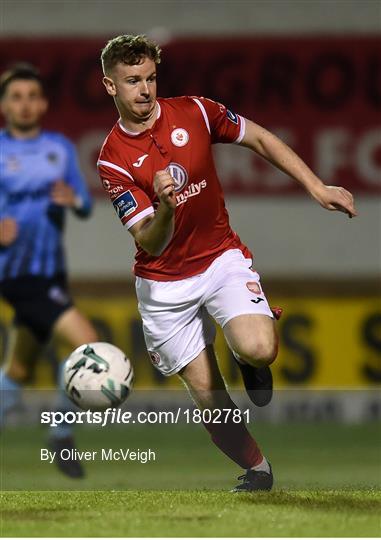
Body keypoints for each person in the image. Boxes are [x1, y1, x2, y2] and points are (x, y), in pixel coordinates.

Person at [97, 35, 357, 491]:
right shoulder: (113, 159)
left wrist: (316, 186)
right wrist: (167, 209)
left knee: (260, 347)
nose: (145, 90)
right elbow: (150, 243)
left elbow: (257, 136)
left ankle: (248, 359)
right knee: (212, 404)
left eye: (151, 78)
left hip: (219, 257)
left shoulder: (195, 111)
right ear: (109, 86)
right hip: (164, 286)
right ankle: (258, 469)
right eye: (132, 81)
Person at [0, 64, 98, 478]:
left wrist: (73, 198)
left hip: (51, 272)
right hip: (16, 273)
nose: (24, 104)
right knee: (87, 345)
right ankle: (61, 432)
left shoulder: (60, 148)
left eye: (31, 96)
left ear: (42, 103)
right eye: (15, 96)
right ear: (4, 105)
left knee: (18, 370)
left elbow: (87, 205)